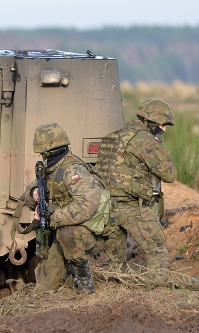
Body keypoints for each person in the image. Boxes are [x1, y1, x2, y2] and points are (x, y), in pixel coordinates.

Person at [23, 122, 111, 294]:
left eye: (42, 153)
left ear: (47, 152)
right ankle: (68, 271)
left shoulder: (72, 170)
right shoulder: (51, 170)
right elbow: (26, 195)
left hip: (90, 231)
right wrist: (34, 193)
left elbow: (87, 205)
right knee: (44, 287)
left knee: (67, 233)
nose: (41, 156)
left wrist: (52, 217)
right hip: (64, 232)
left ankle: (83, 277)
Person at [96, 98, 177, 269]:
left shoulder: (115, 136)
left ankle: (115, 291)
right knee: (157, 249)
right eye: (163, 124)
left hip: (107, 206)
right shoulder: (144, 139)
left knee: (114, 261)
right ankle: (159, 289)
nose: (163, 129)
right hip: (131, 206)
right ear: (152, 121)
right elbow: (170, 174)